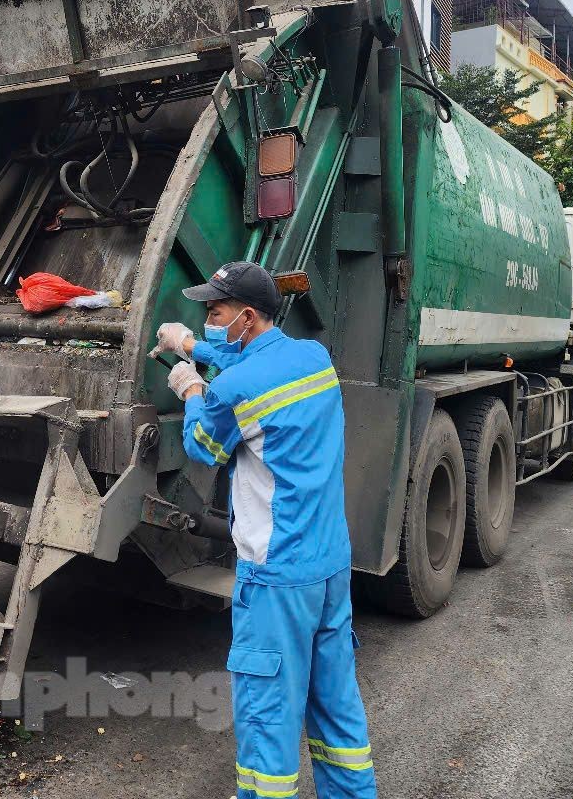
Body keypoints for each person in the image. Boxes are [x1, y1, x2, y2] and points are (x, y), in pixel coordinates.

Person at [153, 261, 376, 799]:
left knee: (267, 719)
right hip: (328, 565)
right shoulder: (312, 357)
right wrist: (193, 346)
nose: (207, 319)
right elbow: (253, 364)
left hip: (276, 576)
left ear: (246, 317)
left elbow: (202, 446)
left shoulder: (233, 389)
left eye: (214, 312)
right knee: (335, 705)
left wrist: (189, 388)